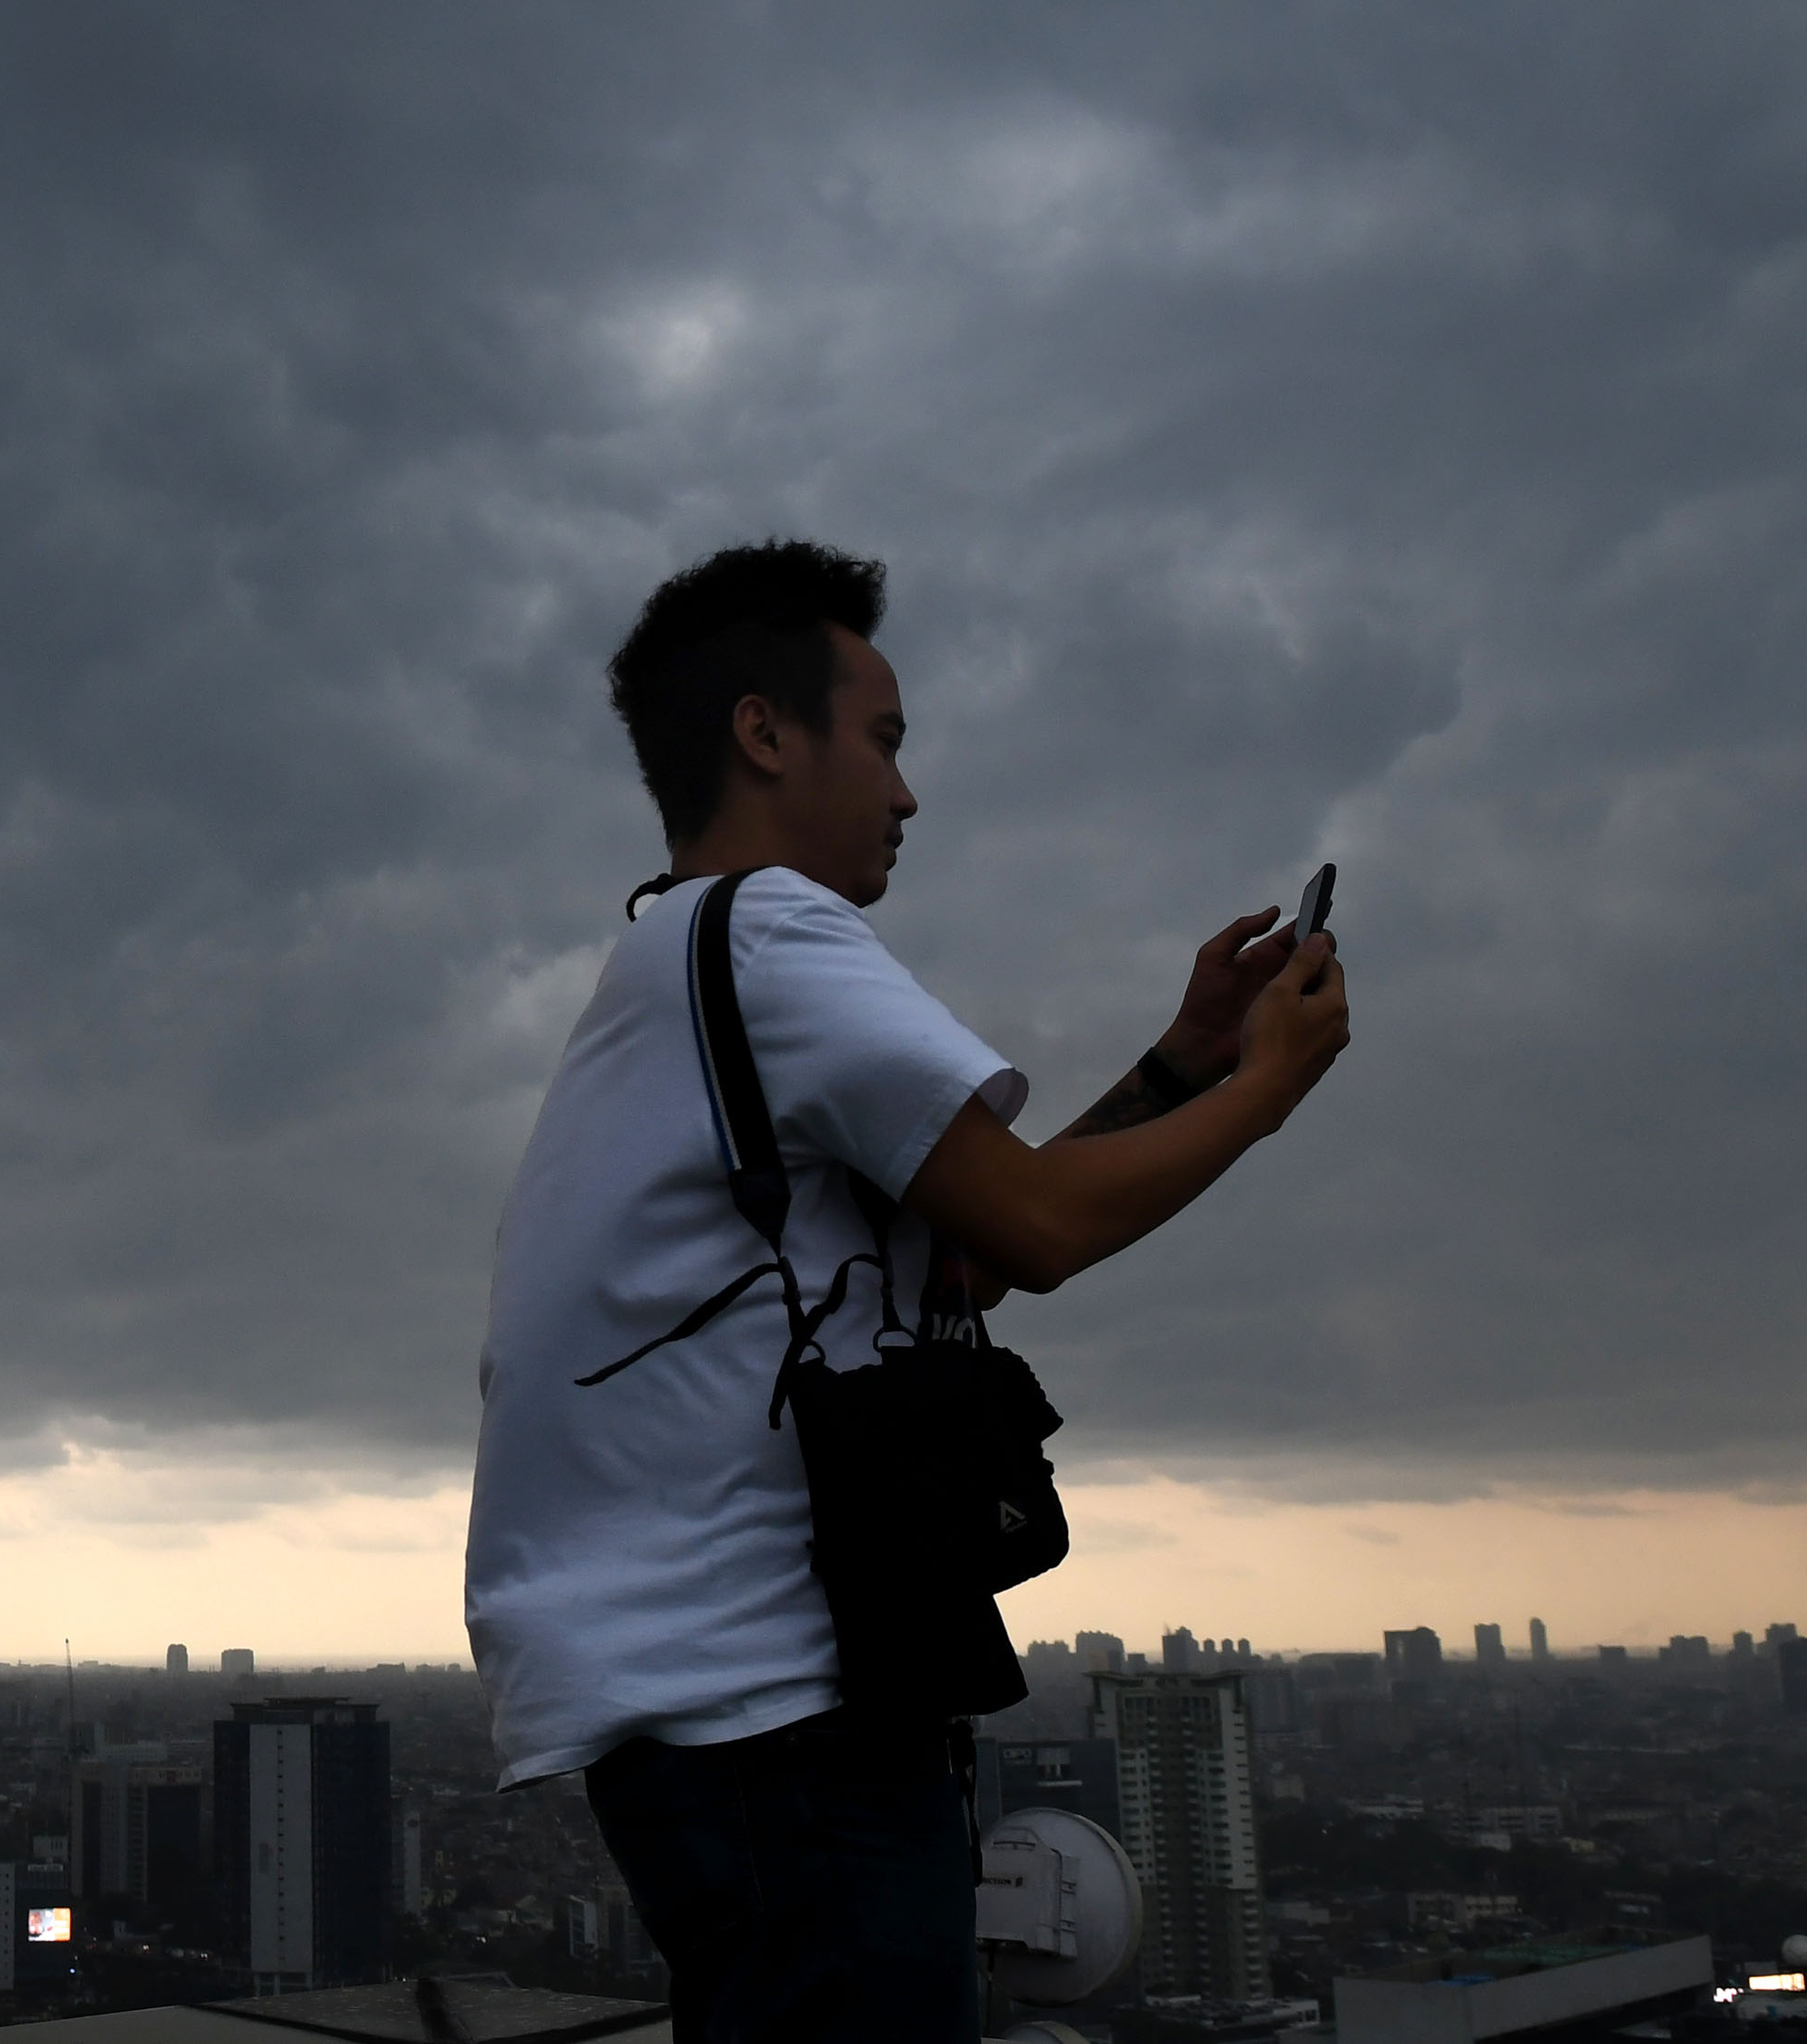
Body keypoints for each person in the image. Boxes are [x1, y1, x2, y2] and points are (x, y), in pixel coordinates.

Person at [462, 541, 1350, 2043]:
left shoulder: (675, 966)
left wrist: (1187, 1060)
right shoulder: (775, 936)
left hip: (717, 1718)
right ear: (764, 734)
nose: (907, 791)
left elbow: (985, 1244)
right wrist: (1268, 1087)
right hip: (778, 1713)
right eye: (881, 739)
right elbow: (1050, 1227)